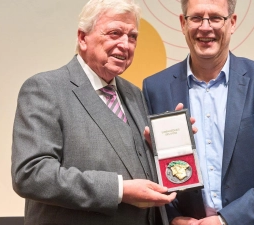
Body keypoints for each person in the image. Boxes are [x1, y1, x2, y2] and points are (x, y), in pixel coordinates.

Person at [11, 0, 177, 224]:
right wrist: (119, 190)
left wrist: (171, 145)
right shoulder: (45, 89)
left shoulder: (134, 94)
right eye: (114, 33)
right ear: (82, 38)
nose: (125, 44)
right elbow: (31, 174)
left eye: (132, 37)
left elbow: (135, 165)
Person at [142, 0, 254, 224]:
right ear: (183, 23)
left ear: (232, 22)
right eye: (196, 18)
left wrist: (225, 221)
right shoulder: (155, 88)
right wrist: (173, 218)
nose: (205, 27)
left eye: (216, 18)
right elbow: (149, 171)